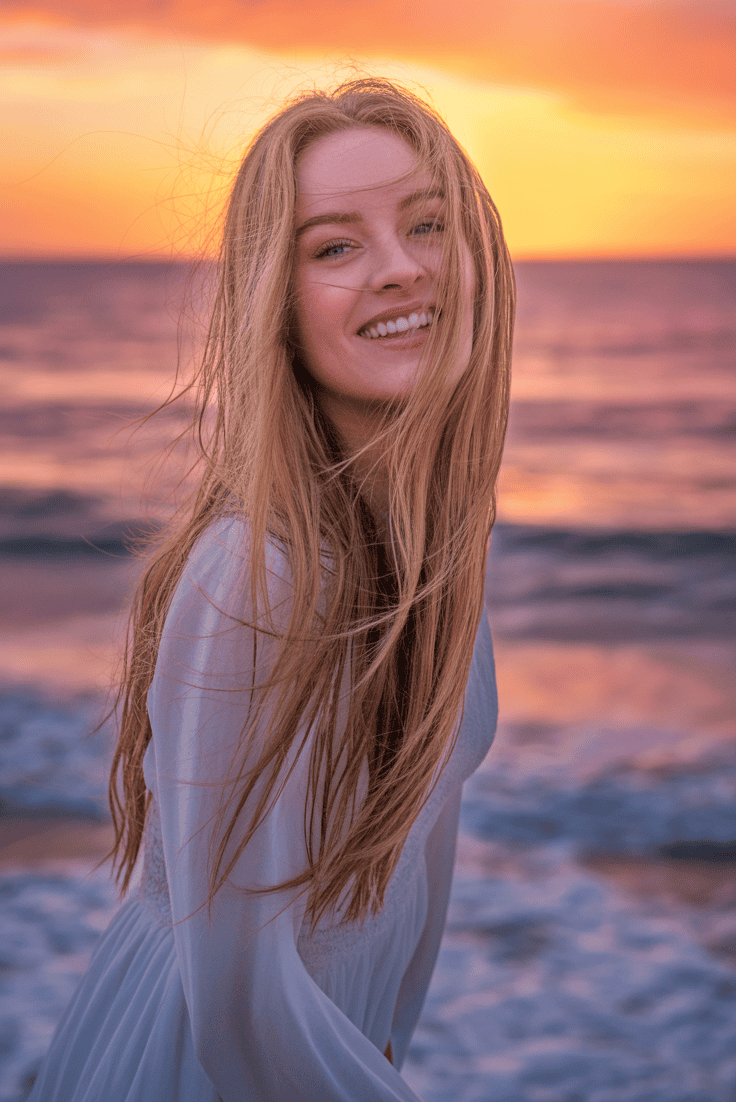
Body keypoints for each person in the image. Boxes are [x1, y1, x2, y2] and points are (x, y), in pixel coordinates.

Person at [29, 77, 515, 1101]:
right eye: (335, 247)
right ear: (276, 308)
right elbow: (243, 1009)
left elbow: (411, 876)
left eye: (428, 224)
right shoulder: (259, 582)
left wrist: (386, 1049)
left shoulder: (437, 559)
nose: (400, 267)